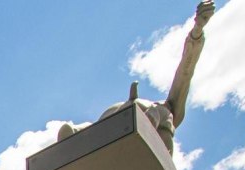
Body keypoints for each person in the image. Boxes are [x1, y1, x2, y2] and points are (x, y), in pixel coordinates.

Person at [58, 1, 213, 154]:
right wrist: (196, 32)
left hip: (126, 124)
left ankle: (78, 134)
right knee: (159, 114)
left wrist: (197, 31)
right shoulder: (168, 110)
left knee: (163, 114)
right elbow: (184, 74)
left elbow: (185, 73)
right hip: (116, 121)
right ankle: (76, 135)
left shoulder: (168, 112)